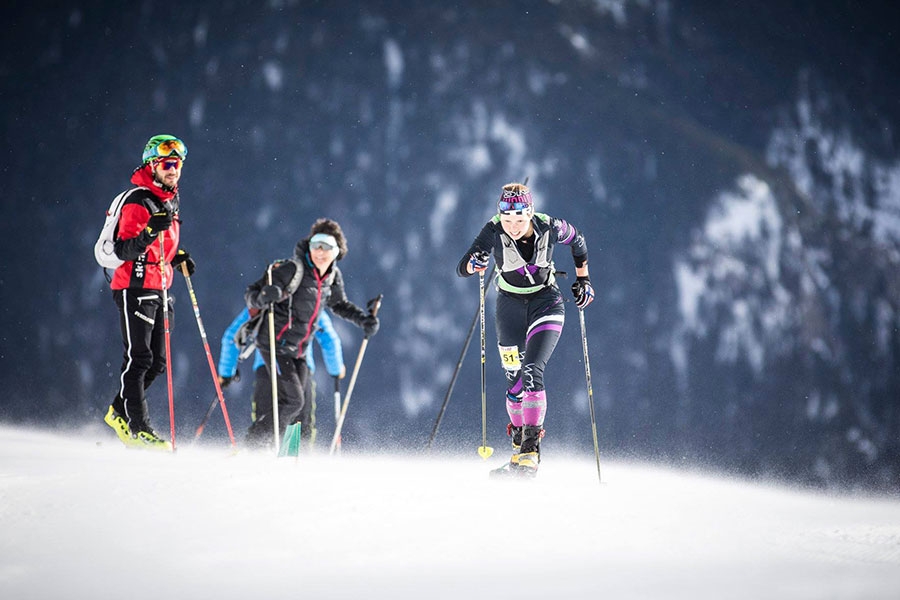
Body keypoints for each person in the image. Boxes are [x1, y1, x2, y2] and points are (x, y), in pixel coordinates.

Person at [457, 182, 594, 476]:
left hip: (547, 302)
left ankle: (531, 451)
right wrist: (475, 263)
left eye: (519, 219)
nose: (513, 226)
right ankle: (518, 454)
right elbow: (462, 267)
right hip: (509, 309)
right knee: (514, 380)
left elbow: (578, 241)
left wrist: (584, 280)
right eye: (508, 219)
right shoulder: (493, 230)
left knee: (532, 369)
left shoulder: (550, 226)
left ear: (530, 213)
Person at [243, 218, 379, 448]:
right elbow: (251, 294)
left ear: (337, 252)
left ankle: (290, 452)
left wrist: (364, 320)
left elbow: (339, 304)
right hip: (275, 345)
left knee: (301, 406)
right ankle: (254, 443)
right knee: (293, 400)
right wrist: (265, 295)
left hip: (299, 350)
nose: (321, 252)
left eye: (328, 247)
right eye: (317, 244)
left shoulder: (332, 277)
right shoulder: (292, 270)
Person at [103, 134, 196, 450]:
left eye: (178, 164)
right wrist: (148, 233)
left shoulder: (168, 199)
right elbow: (122, 250)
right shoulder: (138, 201)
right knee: (139, 357)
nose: (173, 170)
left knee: (157, 362)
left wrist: (176, 256)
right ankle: (137, 426)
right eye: (167, 164)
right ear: (152, 166)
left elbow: (161, 245)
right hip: (134, 285)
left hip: (160, 285)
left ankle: (118, 411)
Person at [217, 307, 345, 450]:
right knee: (298, 426)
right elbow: (329, 339)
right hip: (300, 370)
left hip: (266, 370)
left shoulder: (263, 304)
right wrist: (336, 369)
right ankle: (293, 460)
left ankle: (256, 453)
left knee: (267, 422)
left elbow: (231, 336)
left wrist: (226, 373)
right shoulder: (309, 302)